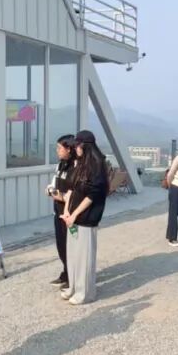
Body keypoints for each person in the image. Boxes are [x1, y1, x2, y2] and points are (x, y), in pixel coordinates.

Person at [60, 130, 108, 305]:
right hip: (73, 217)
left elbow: (92, 195)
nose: (76, 149)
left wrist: (74, 214)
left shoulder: (97, 166)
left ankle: (85, 293)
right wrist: (67, 210)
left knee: (84, 258)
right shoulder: (79, 164)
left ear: (86, 146)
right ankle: (73, 287)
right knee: (73, 255)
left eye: (78, 146)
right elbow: (71, 189)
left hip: (86, 218)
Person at [46, 135, 76, 288]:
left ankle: (73, 277)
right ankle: (66, 273)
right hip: (58, 210)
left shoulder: (75, 167)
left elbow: (75, 193)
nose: (57, 150)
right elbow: (54, 183)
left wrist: (61, 196)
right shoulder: (60, 165)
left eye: (59, 148)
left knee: (71, 245)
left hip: (70, 213)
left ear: (69, 149)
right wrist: (50, 190)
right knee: (61, 244)